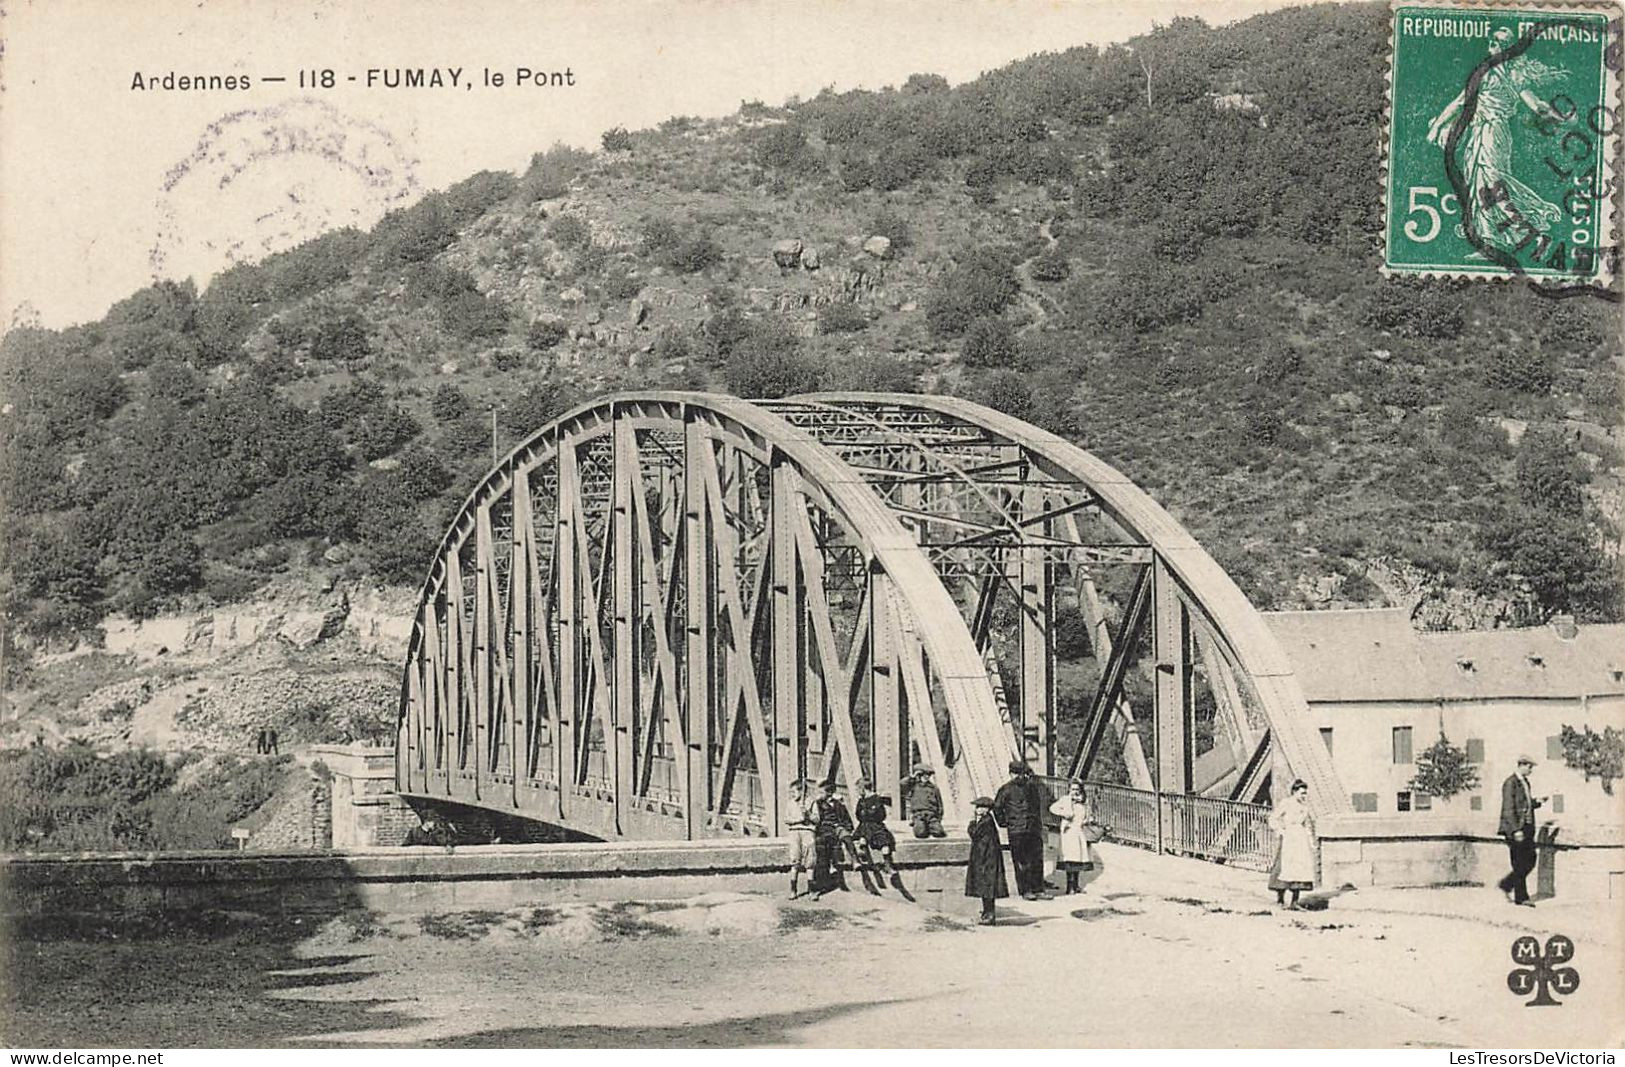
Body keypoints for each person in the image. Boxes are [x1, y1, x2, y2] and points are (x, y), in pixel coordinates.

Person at [1426, 25, 1566, 255]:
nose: (1493, 43)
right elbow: (1461, 101)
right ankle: (1491, 238)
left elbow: (1535, 104)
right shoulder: (1486, 72)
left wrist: (1555, 115)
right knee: (1478, 180)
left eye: (1500, 41)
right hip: (1479, 132)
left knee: (1490, 180)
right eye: (1492, 39)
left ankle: (1521, 230)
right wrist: (1438, 125)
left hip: (1494, 132)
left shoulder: (1510, 76)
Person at [993, 759, 1051, 900]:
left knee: (1037, 859)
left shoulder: (1032, 787)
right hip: (1017, 830)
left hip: (1033, 828)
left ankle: (1038, 889)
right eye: (1016, 774)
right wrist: (1004, 823)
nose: (1019, 776)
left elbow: (1037, 806)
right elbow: (997, 808)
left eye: (1021, 773)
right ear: (1011, 774)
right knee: (1021, 861)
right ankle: (1025, 890)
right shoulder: (1005, 789)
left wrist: (1039, 823)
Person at [1497, 756, 1545, 907]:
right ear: (1522, 765)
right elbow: (1508, 809)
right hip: (1516, 828)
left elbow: (1524, 804)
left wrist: (1537, 802)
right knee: (1519, 863)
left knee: (1530, 859)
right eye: (1529, 767)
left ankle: (1507, 884)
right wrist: (1516, 830)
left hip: (1527, 827)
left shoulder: (1525, 782)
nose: (1531, 770)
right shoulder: (1510, 783)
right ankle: (1521, 897)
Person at [1267, 779, 1317, 909]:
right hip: (1289, 838)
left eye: (1305, 793)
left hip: (1300, 840)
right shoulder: (1286, 803)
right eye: (1302, 793)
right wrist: (1280, 830)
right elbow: (1273, 818)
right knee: (1284, 867)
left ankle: (1295, 902)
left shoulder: (1304, 808)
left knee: (1300, 869)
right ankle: (1280, 899)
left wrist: (1311, 843)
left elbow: (1306, 826)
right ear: (1294, 792)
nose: (1304, 796)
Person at [965, 796, 1009, 925]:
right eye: (977, 807)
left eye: (980, 807)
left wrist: (972, 823)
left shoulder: (985, 821)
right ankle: (987, 913)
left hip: (987, 859)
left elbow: (974, 833)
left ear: (987, 809)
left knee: (988, 887)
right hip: (987, 858)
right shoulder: (987, 820)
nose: (977, 809)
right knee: (986, 888)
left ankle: (989, 915)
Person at [1049, 778, 1097, 895]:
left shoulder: (1084, 802)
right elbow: (1052, 808)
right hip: (1068, 833)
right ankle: (1069, 886)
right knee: (1070, 859)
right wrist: (1064, 813)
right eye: (1072, 789)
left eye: (1077, 789)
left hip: (1079, 832)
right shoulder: (1065, 800)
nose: (1074, 792)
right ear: (1069, 789)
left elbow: (1089, 815)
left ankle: (1076, 885)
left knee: (1079, 859)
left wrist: (1088, 820)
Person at [810, 779, 855, 899]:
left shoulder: (838, 805)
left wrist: (846, 828)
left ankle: (836, 883)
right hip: (823, 834)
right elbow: (813, 820)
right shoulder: (817, 804)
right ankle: (816, 889)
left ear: (829, 793)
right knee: (821, 862)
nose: (820, 794)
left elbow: (846, 820)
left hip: (834, 833)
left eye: (822, 792)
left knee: (836, 859)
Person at [852, 777, 898, 880]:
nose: (857, 792)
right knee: (882, 843)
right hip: (875, 826)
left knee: (867, 839)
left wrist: (866, 816)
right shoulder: (875, 799)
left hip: (867, 825)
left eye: (858, 789)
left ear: (862, 789)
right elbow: (882, 815)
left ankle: (865, 852)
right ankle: (886, 865)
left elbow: (858, 815)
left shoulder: (864, 801)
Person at [785, 778, 818, 899]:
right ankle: (793, 890)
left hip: (808, 832)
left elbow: (817, 819)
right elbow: (786, 819)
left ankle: (811, 890)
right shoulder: (790, 803)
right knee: (795, 860)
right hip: (794, 832)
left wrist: (808, 814)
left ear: (802, 791)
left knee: (810, 861)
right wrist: (798, 820)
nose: (792, 795)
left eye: (794, 792)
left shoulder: (811, 802)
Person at [904, 764, 946, 839]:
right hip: (919, 814)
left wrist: (939, 818)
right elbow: (902, 784)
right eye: (924, 775)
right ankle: (919, 825)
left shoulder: (934, 788)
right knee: (920, 834)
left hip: (931, 815)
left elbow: (940, 804)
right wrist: (912, 776)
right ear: (919, 775)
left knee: (939, 832)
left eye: (929, 775)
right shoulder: (913, 786)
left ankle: (929, 827)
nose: (927, 777)